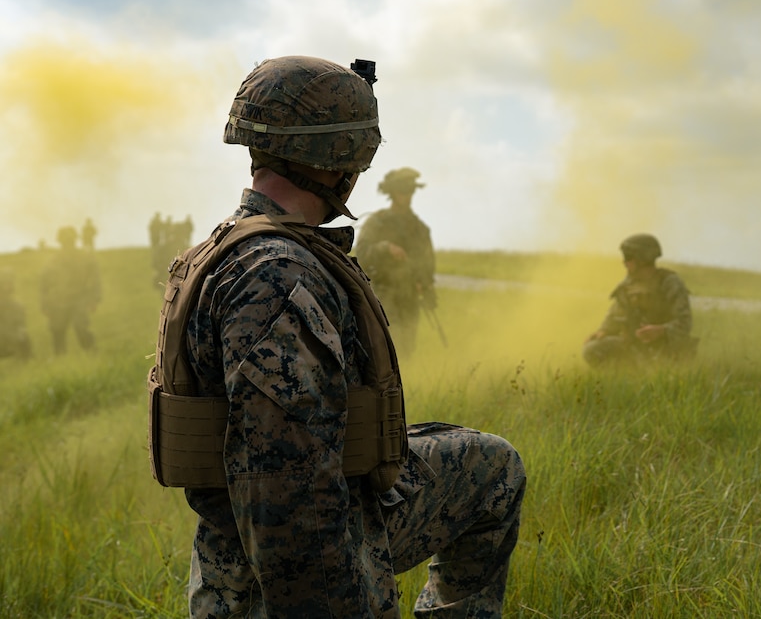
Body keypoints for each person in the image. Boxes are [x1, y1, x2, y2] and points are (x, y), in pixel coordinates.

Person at [147, 55, 525, 618]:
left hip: (264, 530)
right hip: (298, 564)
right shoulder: (276, 277)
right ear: (342, 156)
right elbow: (286, 491)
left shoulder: (239, 247)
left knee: (490, 466)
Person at [355, 167, 437, 356]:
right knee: (383, 350)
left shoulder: (420, 229)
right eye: (403, 190)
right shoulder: (377, 222)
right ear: (392, 192)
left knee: (407, 350)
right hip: (383, 295)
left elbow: (427, 264)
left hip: (409, 297)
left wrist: (426, 287)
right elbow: (362, 255)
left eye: (410, 190)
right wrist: (385, 248)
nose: (407, 195)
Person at [582, 233, 697, 368]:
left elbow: (684, 324)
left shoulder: (670, 283)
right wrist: (603, 331)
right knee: (591, 349)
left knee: (659, 371)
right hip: (633, 346)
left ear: (642, 259)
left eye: (628, 257)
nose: (624, 262)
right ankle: (620, 379)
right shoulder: (627, 285)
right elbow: (614, 315)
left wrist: (660, 331)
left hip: (665, 349)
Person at [39, 225, 100, 355]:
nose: (68, 244)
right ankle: (60, 359)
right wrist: (45, 305)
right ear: (60, 242)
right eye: (65, 241)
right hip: (58, 301)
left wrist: (94, 299)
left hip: (79, 299)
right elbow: (44, 284)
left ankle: (92, 353)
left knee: (81, 327)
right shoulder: (53, 260)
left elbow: (95, 280)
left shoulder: (85, 258)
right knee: (57, 330)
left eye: (70, 241)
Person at [0, 268, 31, 359]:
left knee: (24, 337)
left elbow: (20, 318)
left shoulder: (14, 303)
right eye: (6, 282)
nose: (8, 285)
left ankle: (28, 359)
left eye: (9, 282)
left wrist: (21, 328)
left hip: (11, 328)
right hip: (4, 329)